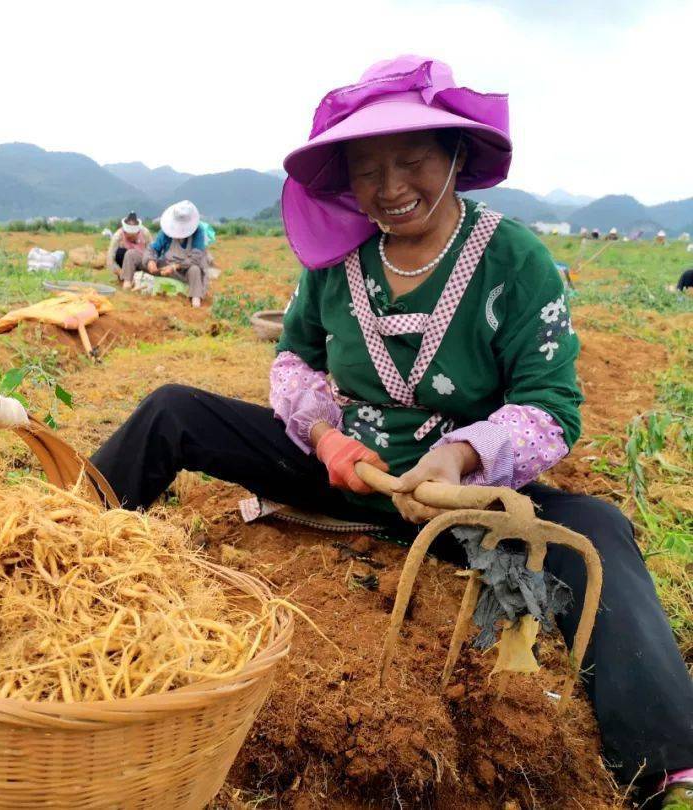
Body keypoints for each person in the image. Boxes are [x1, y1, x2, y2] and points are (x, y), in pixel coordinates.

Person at [91, 56, 693, 803]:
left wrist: (459, 454)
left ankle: (664, 765)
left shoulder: (516, 260)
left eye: (411, 161)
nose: (390, 187)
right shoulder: (338, 259)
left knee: (598, 528)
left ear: (457, 157)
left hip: (458, 496)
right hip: (348, 468)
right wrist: (324, 437)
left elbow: (549, 406)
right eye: (368, 169)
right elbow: (294, 361)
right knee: (174, 410)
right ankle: (57, 532)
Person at [143, 200, 211, 308]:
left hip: (186, 270)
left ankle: (195, 298)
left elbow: (196, 258)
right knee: (144, 261)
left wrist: (175, 266)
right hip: (166, 266)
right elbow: (152, 249)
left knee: (195, 270)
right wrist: (151, 261)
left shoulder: (198, 231)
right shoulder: (166, 230)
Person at [107, 212, 152, 287]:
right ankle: (125, 279)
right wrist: (122, 273)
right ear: (124, 232)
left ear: (138, 232)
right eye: (129, 237)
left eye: (133, 236)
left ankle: (140, 277)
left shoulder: (145, 233)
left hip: (141, 260)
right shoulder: (118, 236)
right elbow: (110, 260)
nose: (131, 239)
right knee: (120, 253)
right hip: (125, 263)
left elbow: (152, 251)